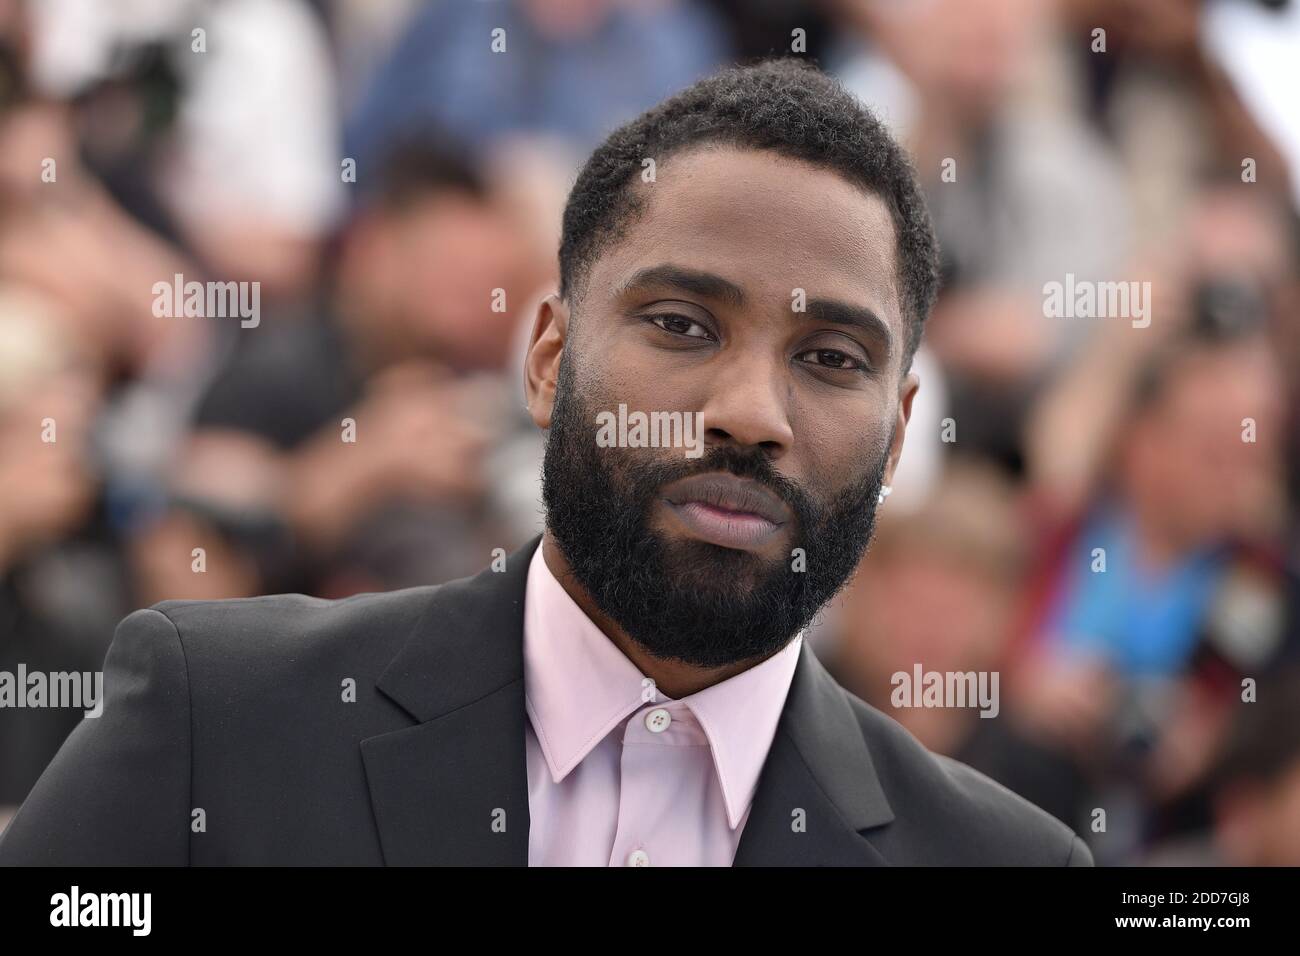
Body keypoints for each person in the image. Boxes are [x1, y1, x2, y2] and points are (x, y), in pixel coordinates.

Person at [0, 60, 1092, 866]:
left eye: (830, 357)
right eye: (680, 323)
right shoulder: (219, 719)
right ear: (548, 358)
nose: (750, 414)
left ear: (900, 434)